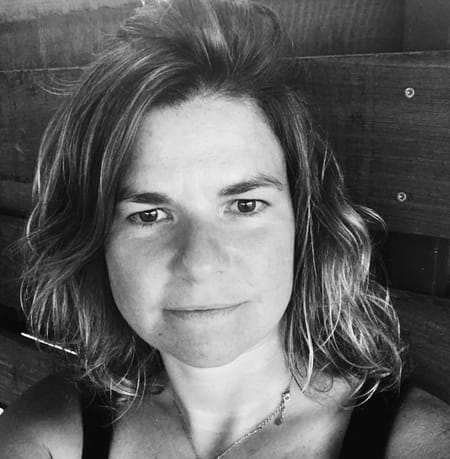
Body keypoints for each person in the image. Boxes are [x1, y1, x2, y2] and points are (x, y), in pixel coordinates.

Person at [0, 0, 449, 458]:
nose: (200, 262)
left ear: (303, 223)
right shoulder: (48, 437)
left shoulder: (421, 445)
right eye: (149, 215)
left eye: (244, 205)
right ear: (97, 242)